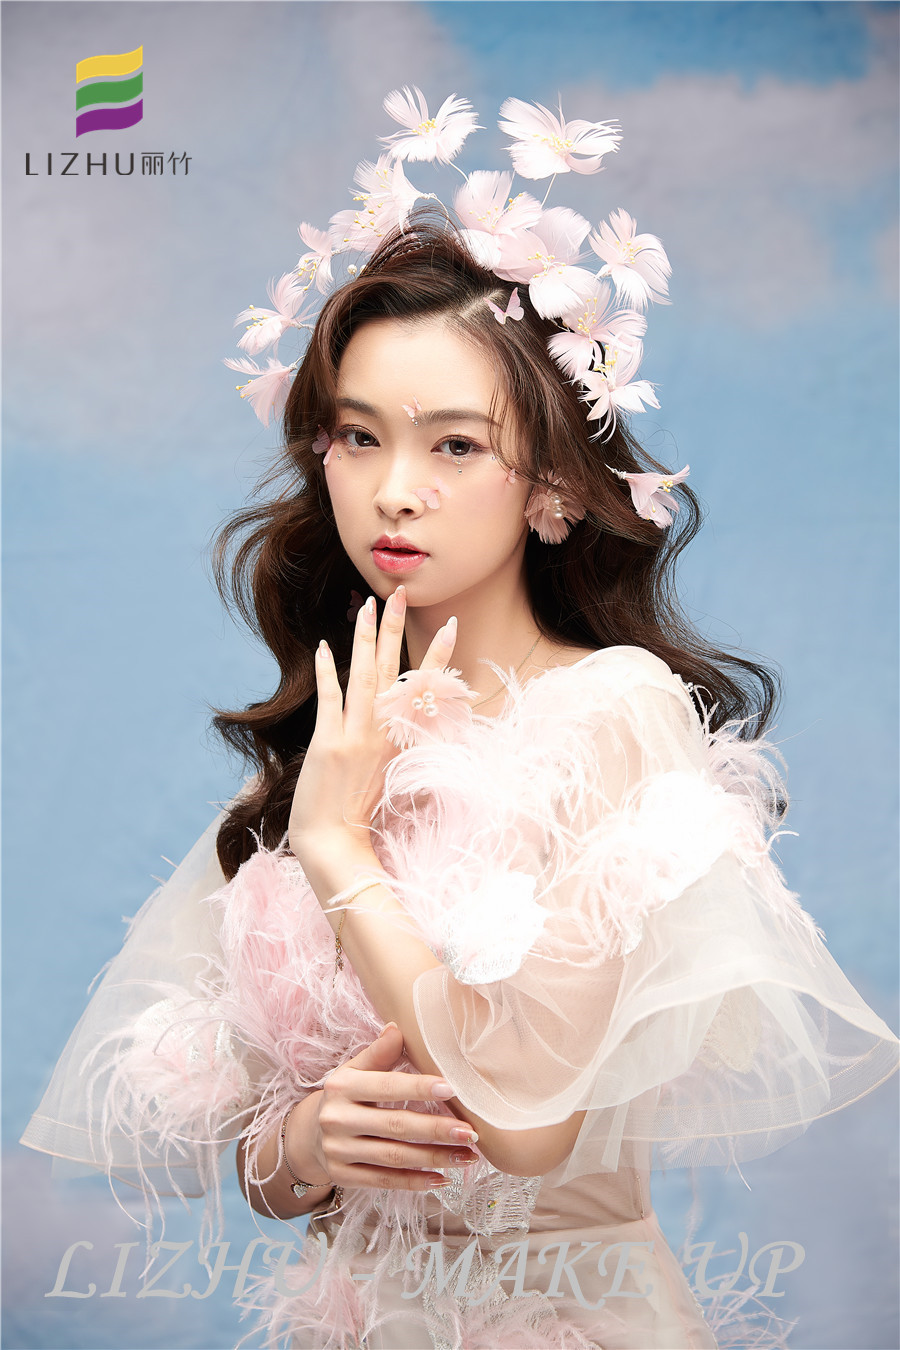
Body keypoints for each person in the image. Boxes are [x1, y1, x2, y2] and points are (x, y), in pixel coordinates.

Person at [21, 90, 899, 1350]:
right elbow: (265, 1163)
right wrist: (305, 1141)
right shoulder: (334, 737)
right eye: (358, 437)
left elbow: (524, 1124)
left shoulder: (609, 712)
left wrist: (340, 848)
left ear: (551, 480)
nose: (395, 490)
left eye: (454, 447)